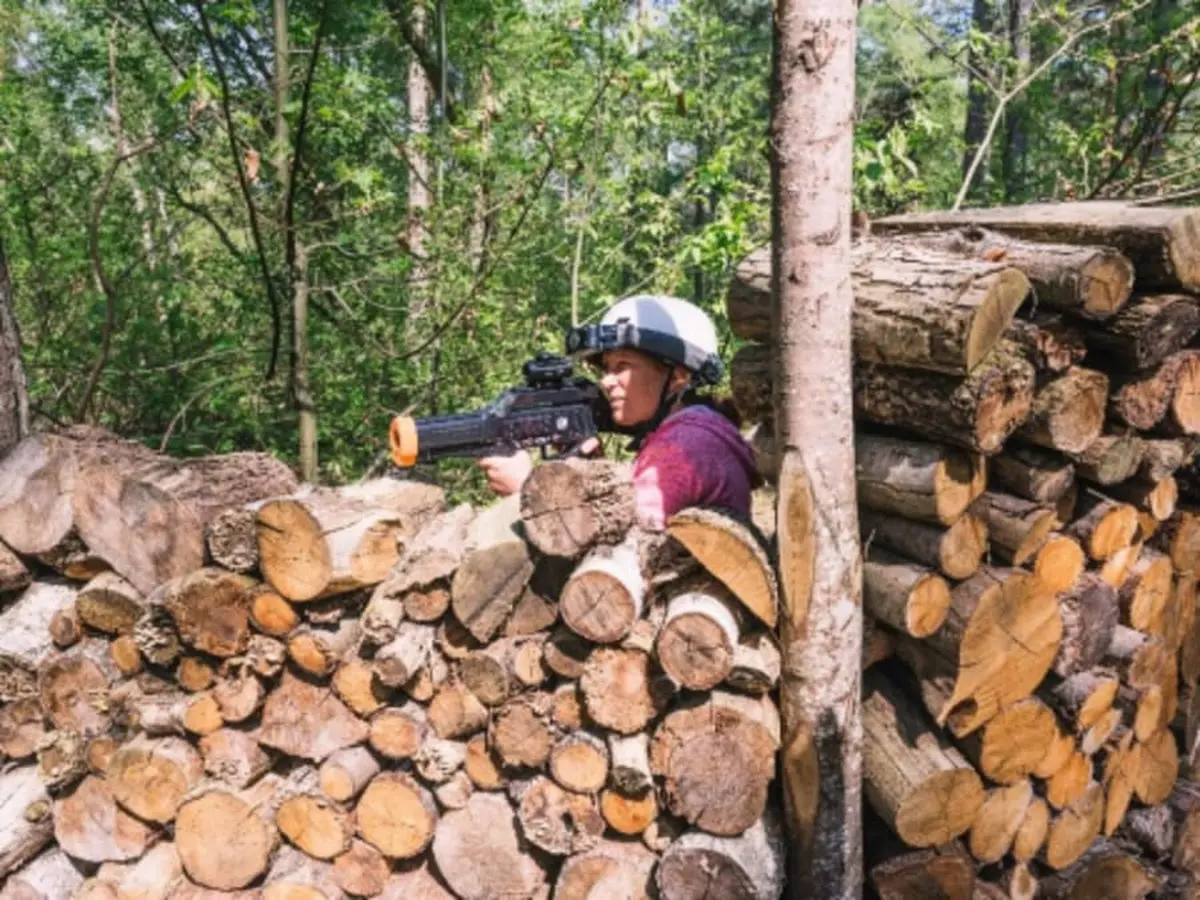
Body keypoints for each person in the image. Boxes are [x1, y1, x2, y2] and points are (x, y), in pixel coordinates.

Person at [478, 294, 758, 530]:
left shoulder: (684, 444)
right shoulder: (695, 431)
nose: (606, 381)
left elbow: (623, 539)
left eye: (622, 366)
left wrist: (527, 490)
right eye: (607, 368)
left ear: (678, 376)